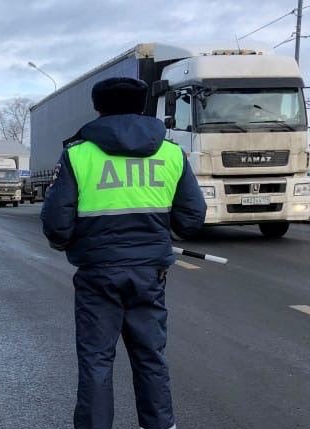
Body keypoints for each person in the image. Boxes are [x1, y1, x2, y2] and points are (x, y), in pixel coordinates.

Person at [41, 77, 206, 429]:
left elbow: (56, 224)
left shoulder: (78, 153)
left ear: (98, 108)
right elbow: (192, 219)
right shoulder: (172, 153)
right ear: (142, 107)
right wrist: (158, 233)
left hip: (98, 273)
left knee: (97, 361)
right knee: (150, 358)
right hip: (150, 275)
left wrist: (73, 243)